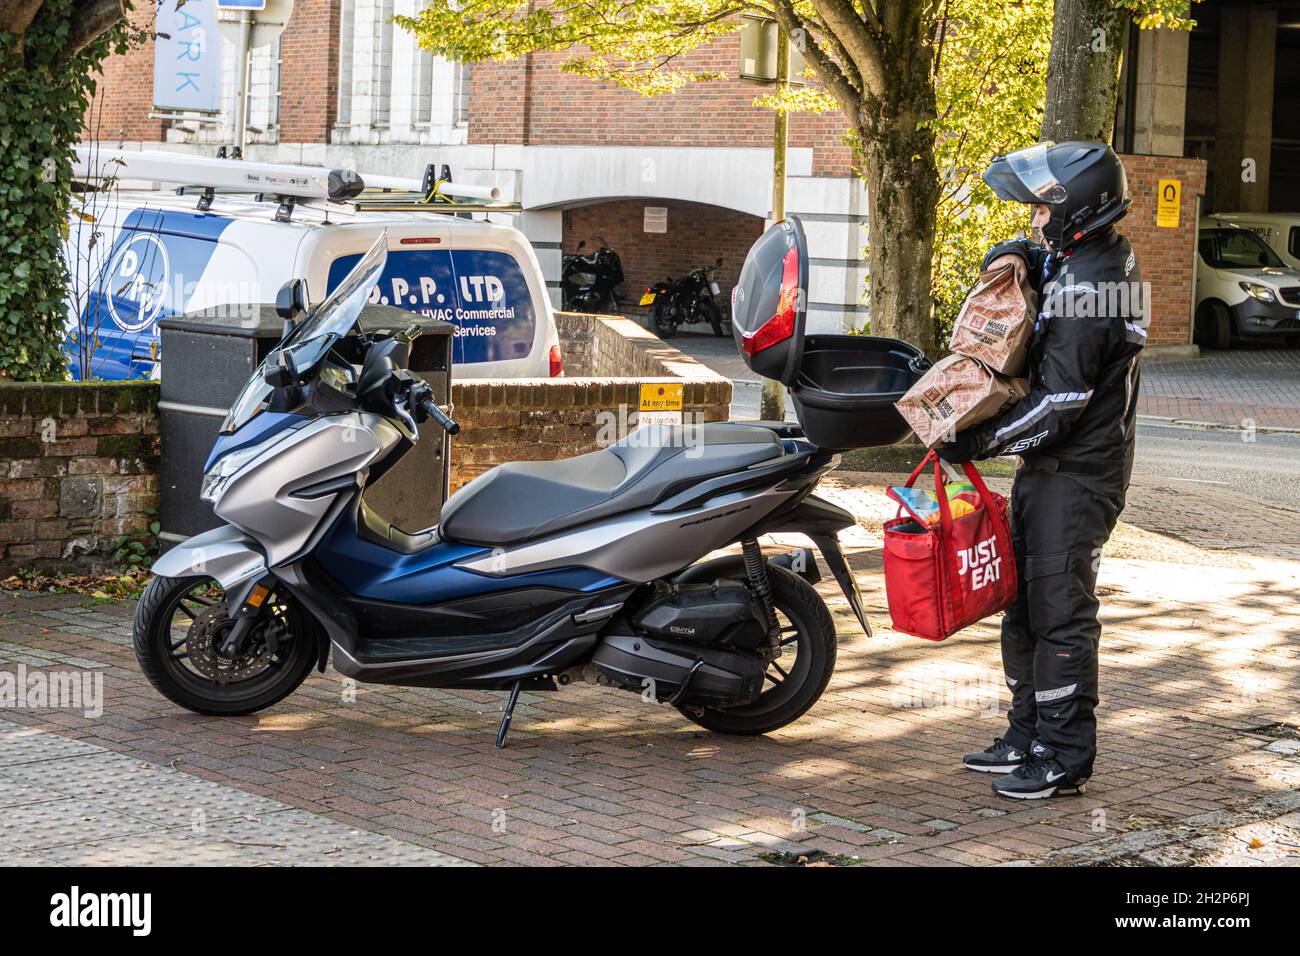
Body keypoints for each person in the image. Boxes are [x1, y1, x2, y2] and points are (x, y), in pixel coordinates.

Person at [942, 141, 1146, 799]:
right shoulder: (1083, 258)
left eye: (1041, 209)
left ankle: (1062, 755)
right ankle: (1025, 733)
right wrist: (1011, 253)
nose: (1034, 220)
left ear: (1076, 209)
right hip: (1049, 469)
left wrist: (972, 441)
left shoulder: (1097, 288)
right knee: (1022, 605)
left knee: (1060, 611)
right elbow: (1039, 258)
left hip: (1078, 474)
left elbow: (1058, 403)